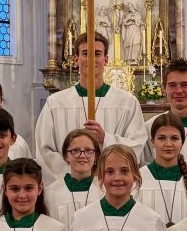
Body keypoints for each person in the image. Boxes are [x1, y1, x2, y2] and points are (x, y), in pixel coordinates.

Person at [35, 32, 147, 181]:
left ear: (106, 60)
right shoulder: (55, 103)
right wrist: (75, 172)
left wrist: (105, 138)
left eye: (97, 54)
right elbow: (44, 149)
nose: (92, 59)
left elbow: (136, 146)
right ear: (76, 59)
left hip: (109, 186)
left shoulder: (127, 102)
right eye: (85, 53)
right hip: (68, 186)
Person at [137, 113, 187, 229]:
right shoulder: (138, 178)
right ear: (152, 142)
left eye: (174, 138)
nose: (168, 144)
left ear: (182, 141)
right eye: (162, 138)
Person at [44, 129, 104, 230]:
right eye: (75, 151)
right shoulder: (50, 193)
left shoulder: (104, 190)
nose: (82, 155)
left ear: (96, 156)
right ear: (65, 156)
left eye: (88, 151)